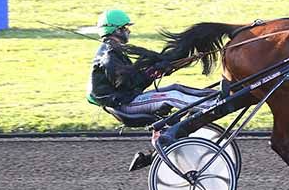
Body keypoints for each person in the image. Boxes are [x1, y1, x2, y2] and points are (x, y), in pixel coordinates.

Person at [88, 9, 215, 171]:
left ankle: (212, 98)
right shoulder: (108, 55)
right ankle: (210, 107)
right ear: (115, 30)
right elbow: (128, 84)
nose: (128, 31)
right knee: (171, 95)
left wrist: (156, 71)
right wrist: (152, 72)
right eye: (125, 28)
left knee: (175, 88)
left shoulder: (115, 51)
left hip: (127, 99)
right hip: (125, 105)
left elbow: (133, 82)